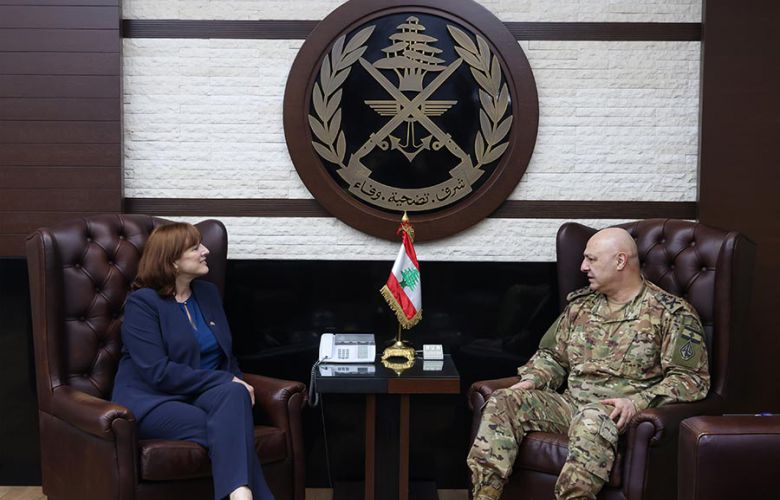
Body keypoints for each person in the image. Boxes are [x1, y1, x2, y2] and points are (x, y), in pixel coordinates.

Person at [467, 227, 710, 500]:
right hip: (570, 406)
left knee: (592, 419)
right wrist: (533, 379)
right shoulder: (580, 306)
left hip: (617, 414)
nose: (583, 267)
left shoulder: (672, 314)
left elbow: (690, 380)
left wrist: (637, 402)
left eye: (591, 259)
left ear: (620, 261)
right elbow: (552, 357)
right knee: (504, 401)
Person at [112, 223, 274, 500]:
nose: (206, 250)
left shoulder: (207, 294)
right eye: (195, 247)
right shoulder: (143, 304)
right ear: (172, 261)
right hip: (154, 400)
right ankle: (242, 495)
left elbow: (226, 357)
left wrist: (235, 380)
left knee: (235, 397)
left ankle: (241, 496)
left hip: (201, 395)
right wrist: (226, 379)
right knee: (230, 430)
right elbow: (158, 372)